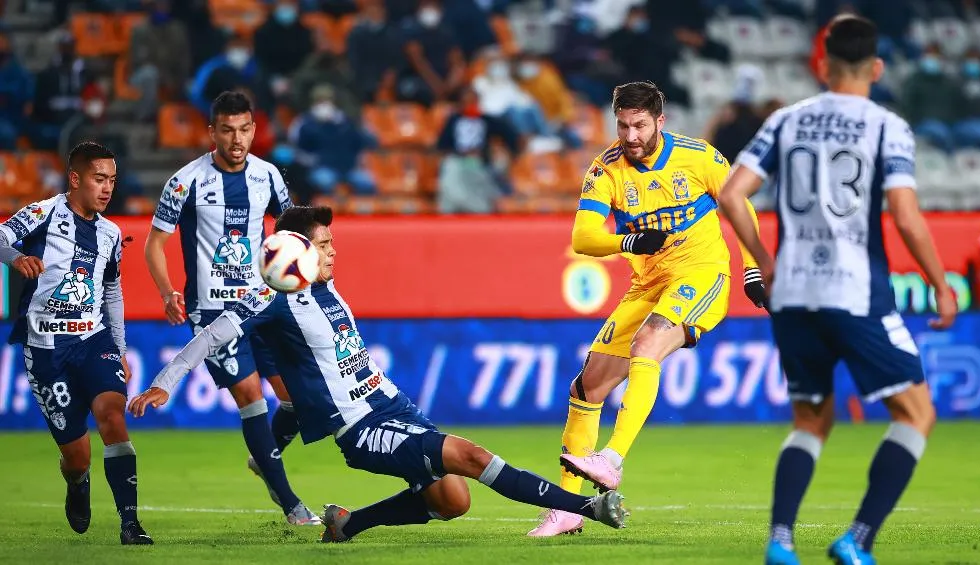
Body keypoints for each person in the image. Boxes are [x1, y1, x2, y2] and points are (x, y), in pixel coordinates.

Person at [128, 206, 629, 541]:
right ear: (299, 252)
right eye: (323, 245)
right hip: (361, 428)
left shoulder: (329, 288)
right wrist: (164, 382)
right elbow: (213, 335)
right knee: (472, 456)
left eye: (331, 242)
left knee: (454, 503)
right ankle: (586, 509)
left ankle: (348, 525)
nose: (333, 252)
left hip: (393, 404)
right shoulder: (275, 300)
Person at [716, 15, 958, 565]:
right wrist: (939, 283)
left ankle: (780, 541)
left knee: (810, 421)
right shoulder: (884, 126)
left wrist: (765, 264)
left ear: (821, 65)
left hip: (793, 294)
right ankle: (858, 539)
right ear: (876, 67)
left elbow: (732, 195)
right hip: (854, 291)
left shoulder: (785, 121)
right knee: (916, 413)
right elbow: (903, 213)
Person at [528, 81, 766, 537]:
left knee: (648, 342)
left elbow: (739, 205)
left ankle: (612, 460)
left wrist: (753, 268)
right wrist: (630, 241)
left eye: (639, 125)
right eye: (622, 125)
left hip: (702, 273)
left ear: (660, 121)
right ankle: (568, 508)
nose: (630, 135)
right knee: (588, 386)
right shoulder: (607, 169)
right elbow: (582, 237)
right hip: (648, 283)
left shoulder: (699, 157)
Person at [144, 91, 319, 525]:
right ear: (212, 132)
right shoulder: (185, 182)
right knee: (250, 396)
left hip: (263, 304)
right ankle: (292, 504)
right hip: (211, 310)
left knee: (297, 398)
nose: (236, 139)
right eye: (227, 130)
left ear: (254, 130)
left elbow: (292, 230)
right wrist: (168, 292)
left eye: (243, 130)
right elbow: (154, 245)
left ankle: (264, 457)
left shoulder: (269, 176)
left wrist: (305, 269)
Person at [0, 141, 152, 545]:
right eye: (99, 179)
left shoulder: (111, 232)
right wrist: (15, 258)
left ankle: (131, 524)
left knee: (113, 414)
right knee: (77, 454)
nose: (107, 189)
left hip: (93, 337)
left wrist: (119, 347)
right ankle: (77, 479)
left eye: (112, 181)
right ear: (75, 178)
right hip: (47, 347)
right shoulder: (42, 213)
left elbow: (112, 290)